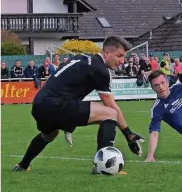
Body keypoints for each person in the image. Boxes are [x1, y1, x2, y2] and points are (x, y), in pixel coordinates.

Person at [13, 36, 144, 174]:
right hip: (57, 104)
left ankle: (23, 165)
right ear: (106, 53)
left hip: (39, 104)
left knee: (49, 135)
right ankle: (102, 168)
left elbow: (62, 81)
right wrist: (128, 134)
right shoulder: (100, 69)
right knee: (109, 113)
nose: (122, 61)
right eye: (119, 56)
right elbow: (112, 107)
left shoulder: (80, 58)